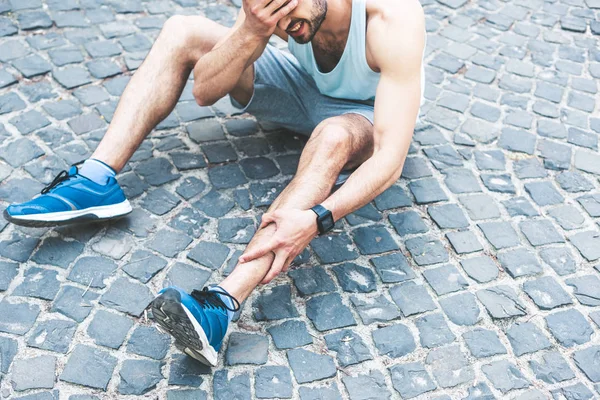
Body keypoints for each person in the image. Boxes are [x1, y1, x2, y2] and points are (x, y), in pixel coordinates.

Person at [5, 0, 426, 366]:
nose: (286, 25)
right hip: (303, 90)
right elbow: (206, 91)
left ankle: (220, 306)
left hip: (366, 118)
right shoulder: (276, 16)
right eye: (271, 14)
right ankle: (96, 178)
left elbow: (391, 159)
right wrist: (252, 28)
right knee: (183, 30)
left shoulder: (390, 18)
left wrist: (317, 219)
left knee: (332, 136)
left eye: (287, 6)